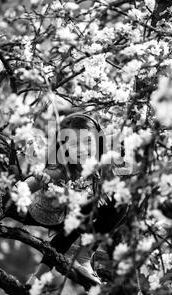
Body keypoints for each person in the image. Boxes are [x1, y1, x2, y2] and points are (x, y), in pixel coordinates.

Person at [11, 112, 137, 285]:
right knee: (82, 211)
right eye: (73, 144)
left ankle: (47, 276)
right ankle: (44, 276)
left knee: (119, 200)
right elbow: (22, 188)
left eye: (88, 142)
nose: (82, 149)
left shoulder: (101, 165)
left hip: (70, 219)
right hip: (39, 213)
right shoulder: (59, 170)